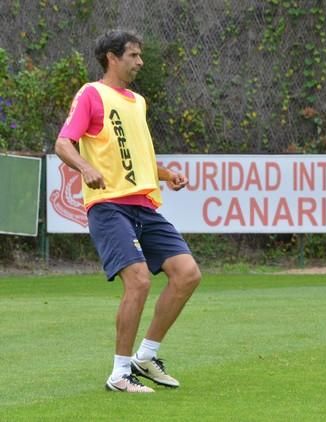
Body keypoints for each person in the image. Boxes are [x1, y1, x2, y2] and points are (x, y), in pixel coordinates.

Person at [55, 29, 201, 393]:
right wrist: (85, 168)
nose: (140, 62)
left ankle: (146, 356)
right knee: (139, 280)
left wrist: (167, 175)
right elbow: (63, 143)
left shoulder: (138, 101)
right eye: (133, 55)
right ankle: (120, 374)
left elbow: (138, 158)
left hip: (144, 206)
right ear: (111, 57)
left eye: (140, 55)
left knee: (187, 274)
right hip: (109, 207)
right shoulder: (92, 93)